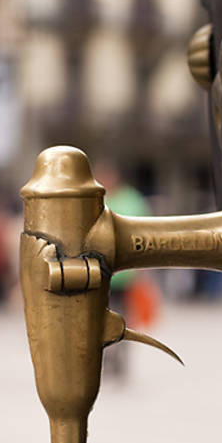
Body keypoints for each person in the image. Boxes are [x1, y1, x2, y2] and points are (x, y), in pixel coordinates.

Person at [96, 161, 151, 382]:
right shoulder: (97, 199)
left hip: (124, 276)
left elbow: (142, 233)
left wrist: (143, 269)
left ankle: (120, 358)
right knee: (99, 321)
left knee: (123, 319)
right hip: (100, 275)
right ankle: (105, 358)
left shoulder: (131, 200)